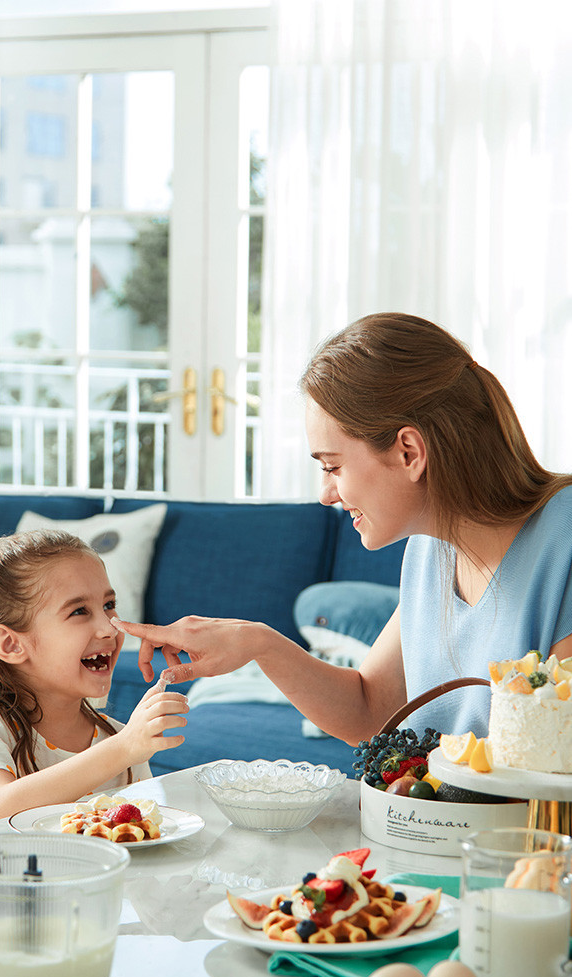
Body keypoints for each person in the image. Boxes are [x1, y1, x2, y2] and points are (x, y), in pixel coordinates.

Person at [113, 313, 572, 742]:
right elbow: (370, 712)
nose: (325, 494)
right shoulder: (432, 550)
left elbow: (550, 763)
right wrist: (257, 643)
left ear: (408, 452)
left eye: (332, 467)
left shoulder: (563, 544)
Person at [0, 530, 189, 829]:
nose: (109, 628)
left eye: (109, 606)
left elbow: (144, 830)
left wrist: (127, 746)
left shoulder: (118, 738)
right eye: (79, 611)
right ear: (11, 645)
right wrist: (125, 748)